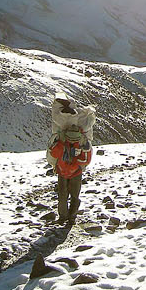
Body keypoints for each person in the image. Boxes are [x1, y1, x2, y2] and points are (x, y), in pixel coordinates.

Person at [46, 95, 93, 223]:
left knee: (62, 195)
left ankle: (63, 216)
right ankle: (72, 217)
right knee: (75, 195)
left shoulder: (61, 142)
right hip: (76, 172)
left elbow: (54, 154)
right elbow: (86, 159)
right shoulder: (81, 142)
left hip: (62, 171)